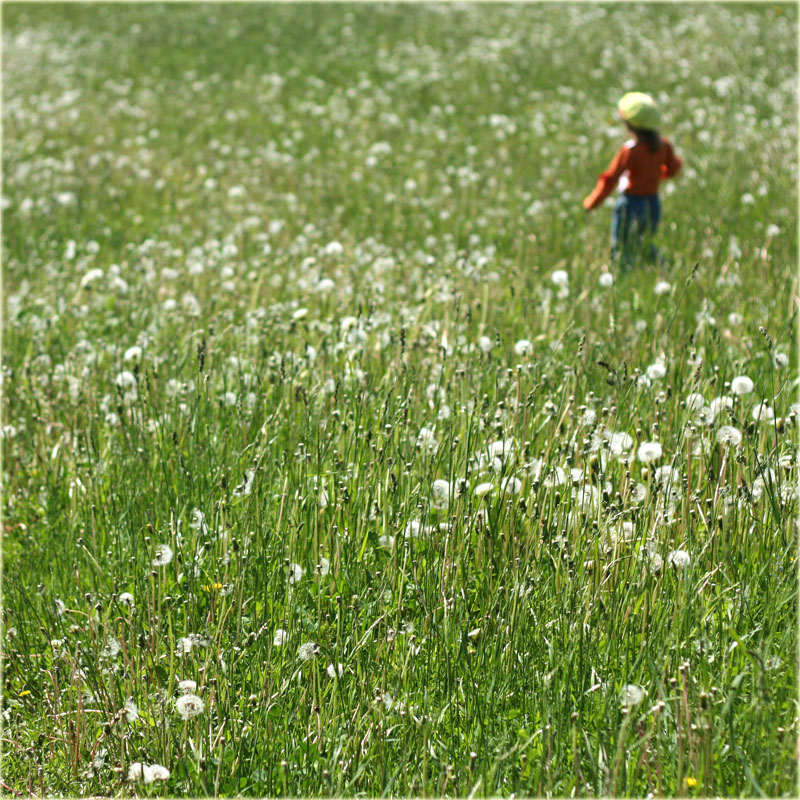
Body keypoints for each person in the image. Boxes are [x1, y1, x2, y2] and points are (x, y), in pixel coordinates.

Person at [583, 92, 682, 268]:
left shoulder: (630, 150)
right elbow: (673, 169)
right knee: (644, 243)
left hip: (631, 204)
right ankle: (664, 268)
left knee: (621, 246)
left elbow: (610, 179)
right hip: (653, 204)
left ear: (629, 125)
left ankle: (621, 277)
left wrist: (592, 202)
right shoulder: (664, 145)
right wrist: (656, 176)